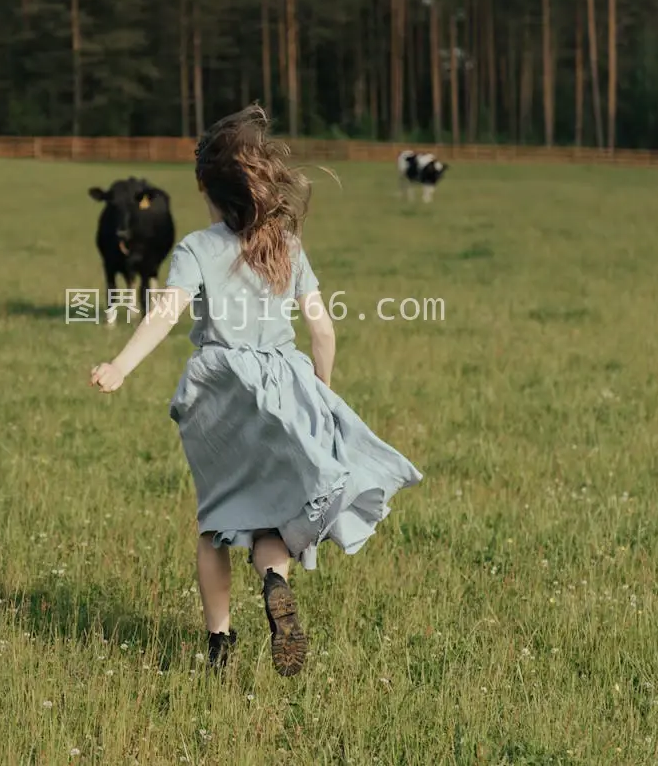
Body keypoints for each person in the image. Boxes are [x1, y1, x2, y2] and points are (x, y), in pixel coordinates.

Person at [90, 106, 422, 677]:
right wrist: (319, 386)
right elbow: (321, 327)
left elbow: (164, 314)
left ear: (206, 188)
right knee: (271, 519)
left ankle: (220, 646)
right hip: (282, 385)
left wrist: (120, 365)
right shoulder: (287, 245)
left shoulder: (196, 247)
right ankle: (274, 580)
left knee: (216, 522)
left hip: (219, 391)